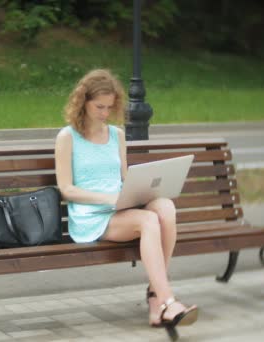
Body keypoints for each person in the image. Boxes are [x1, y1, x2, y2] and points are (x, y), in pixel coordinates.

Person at [54, 69, 198, 333]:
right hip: (91, 217)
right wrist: (108, 198)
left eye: (110, 107)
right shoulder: (67, 137)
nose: (104, 113)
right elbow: (66, 189)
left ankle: (157, 297)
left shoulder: (117, 135)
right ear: (82, 102)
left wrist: (139, 192)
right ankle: (168, 301)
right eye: (99, 106)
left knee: (165, 207)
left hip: (120, 207)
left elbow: (124, 178)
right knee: (148, 221)